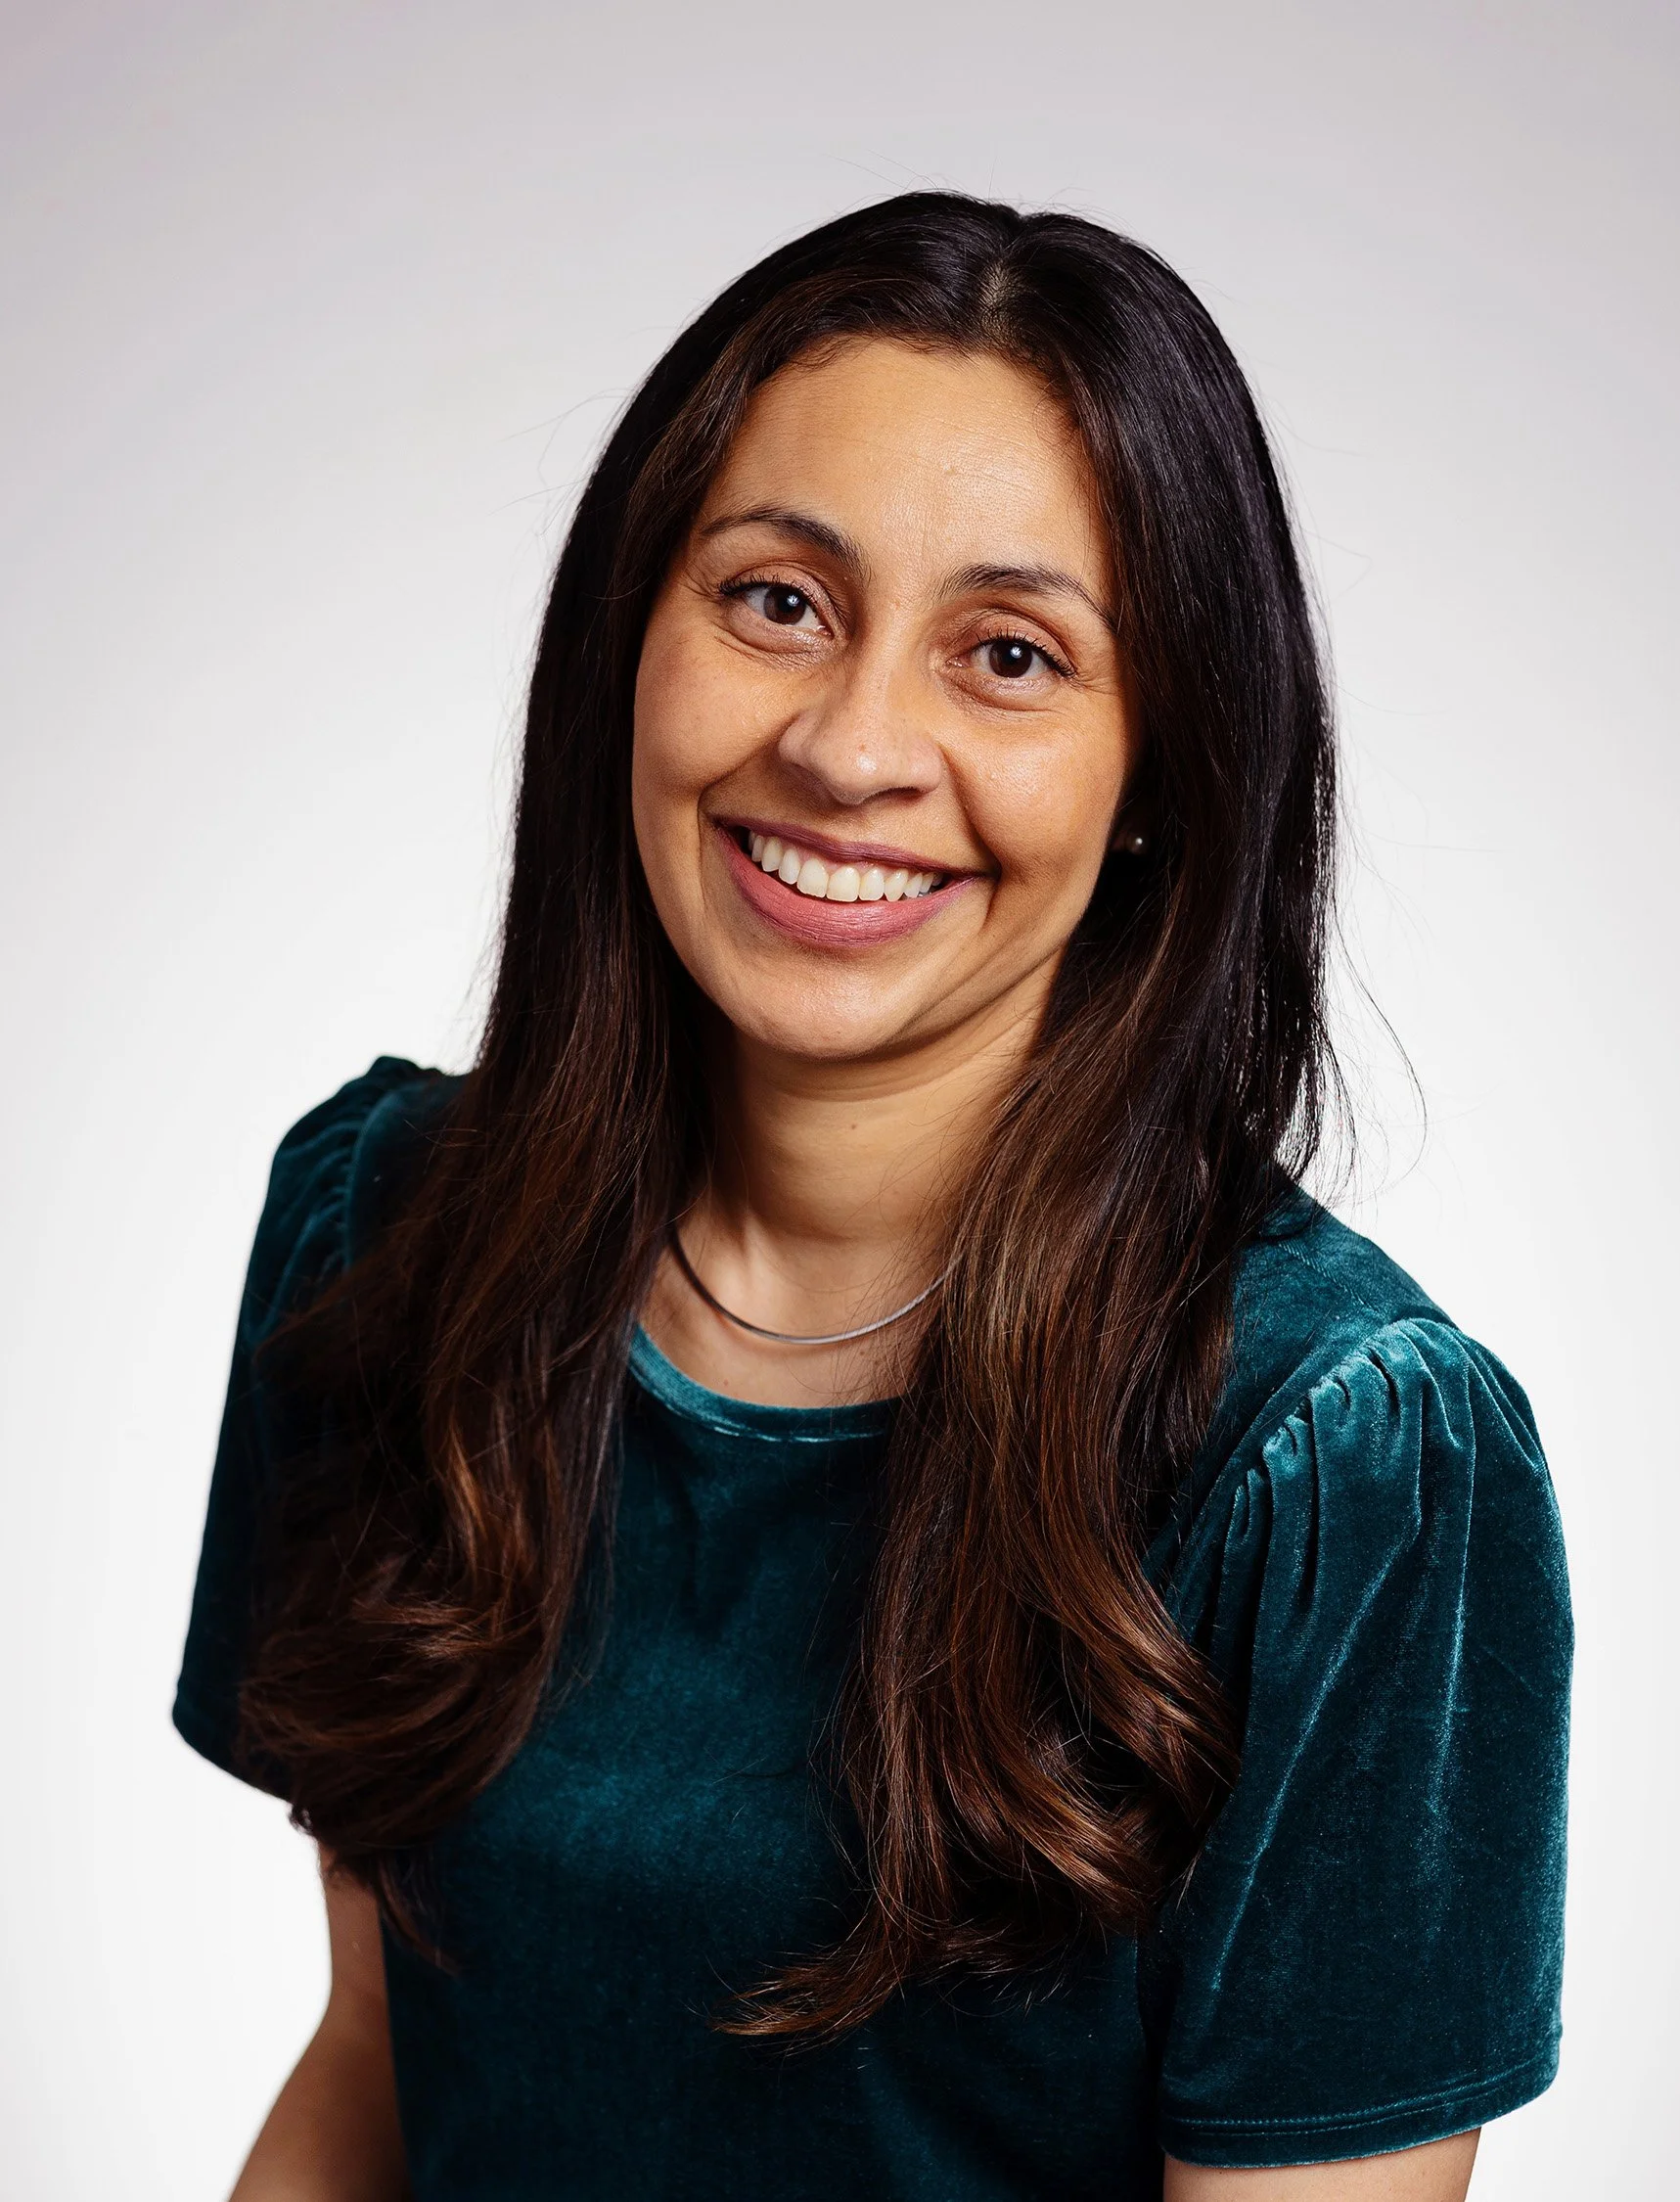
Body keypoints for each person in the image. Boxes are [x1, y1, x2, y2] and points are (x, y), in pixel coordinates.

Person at [175, 193, 1570, 2201]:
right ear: (626, 639)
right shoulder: (388, 1239)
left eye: (1008, 655)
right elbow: (371, 2086)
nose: (849, 746)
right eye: (775, 601)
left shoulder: (1338, 1456)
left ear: (1157, 768)